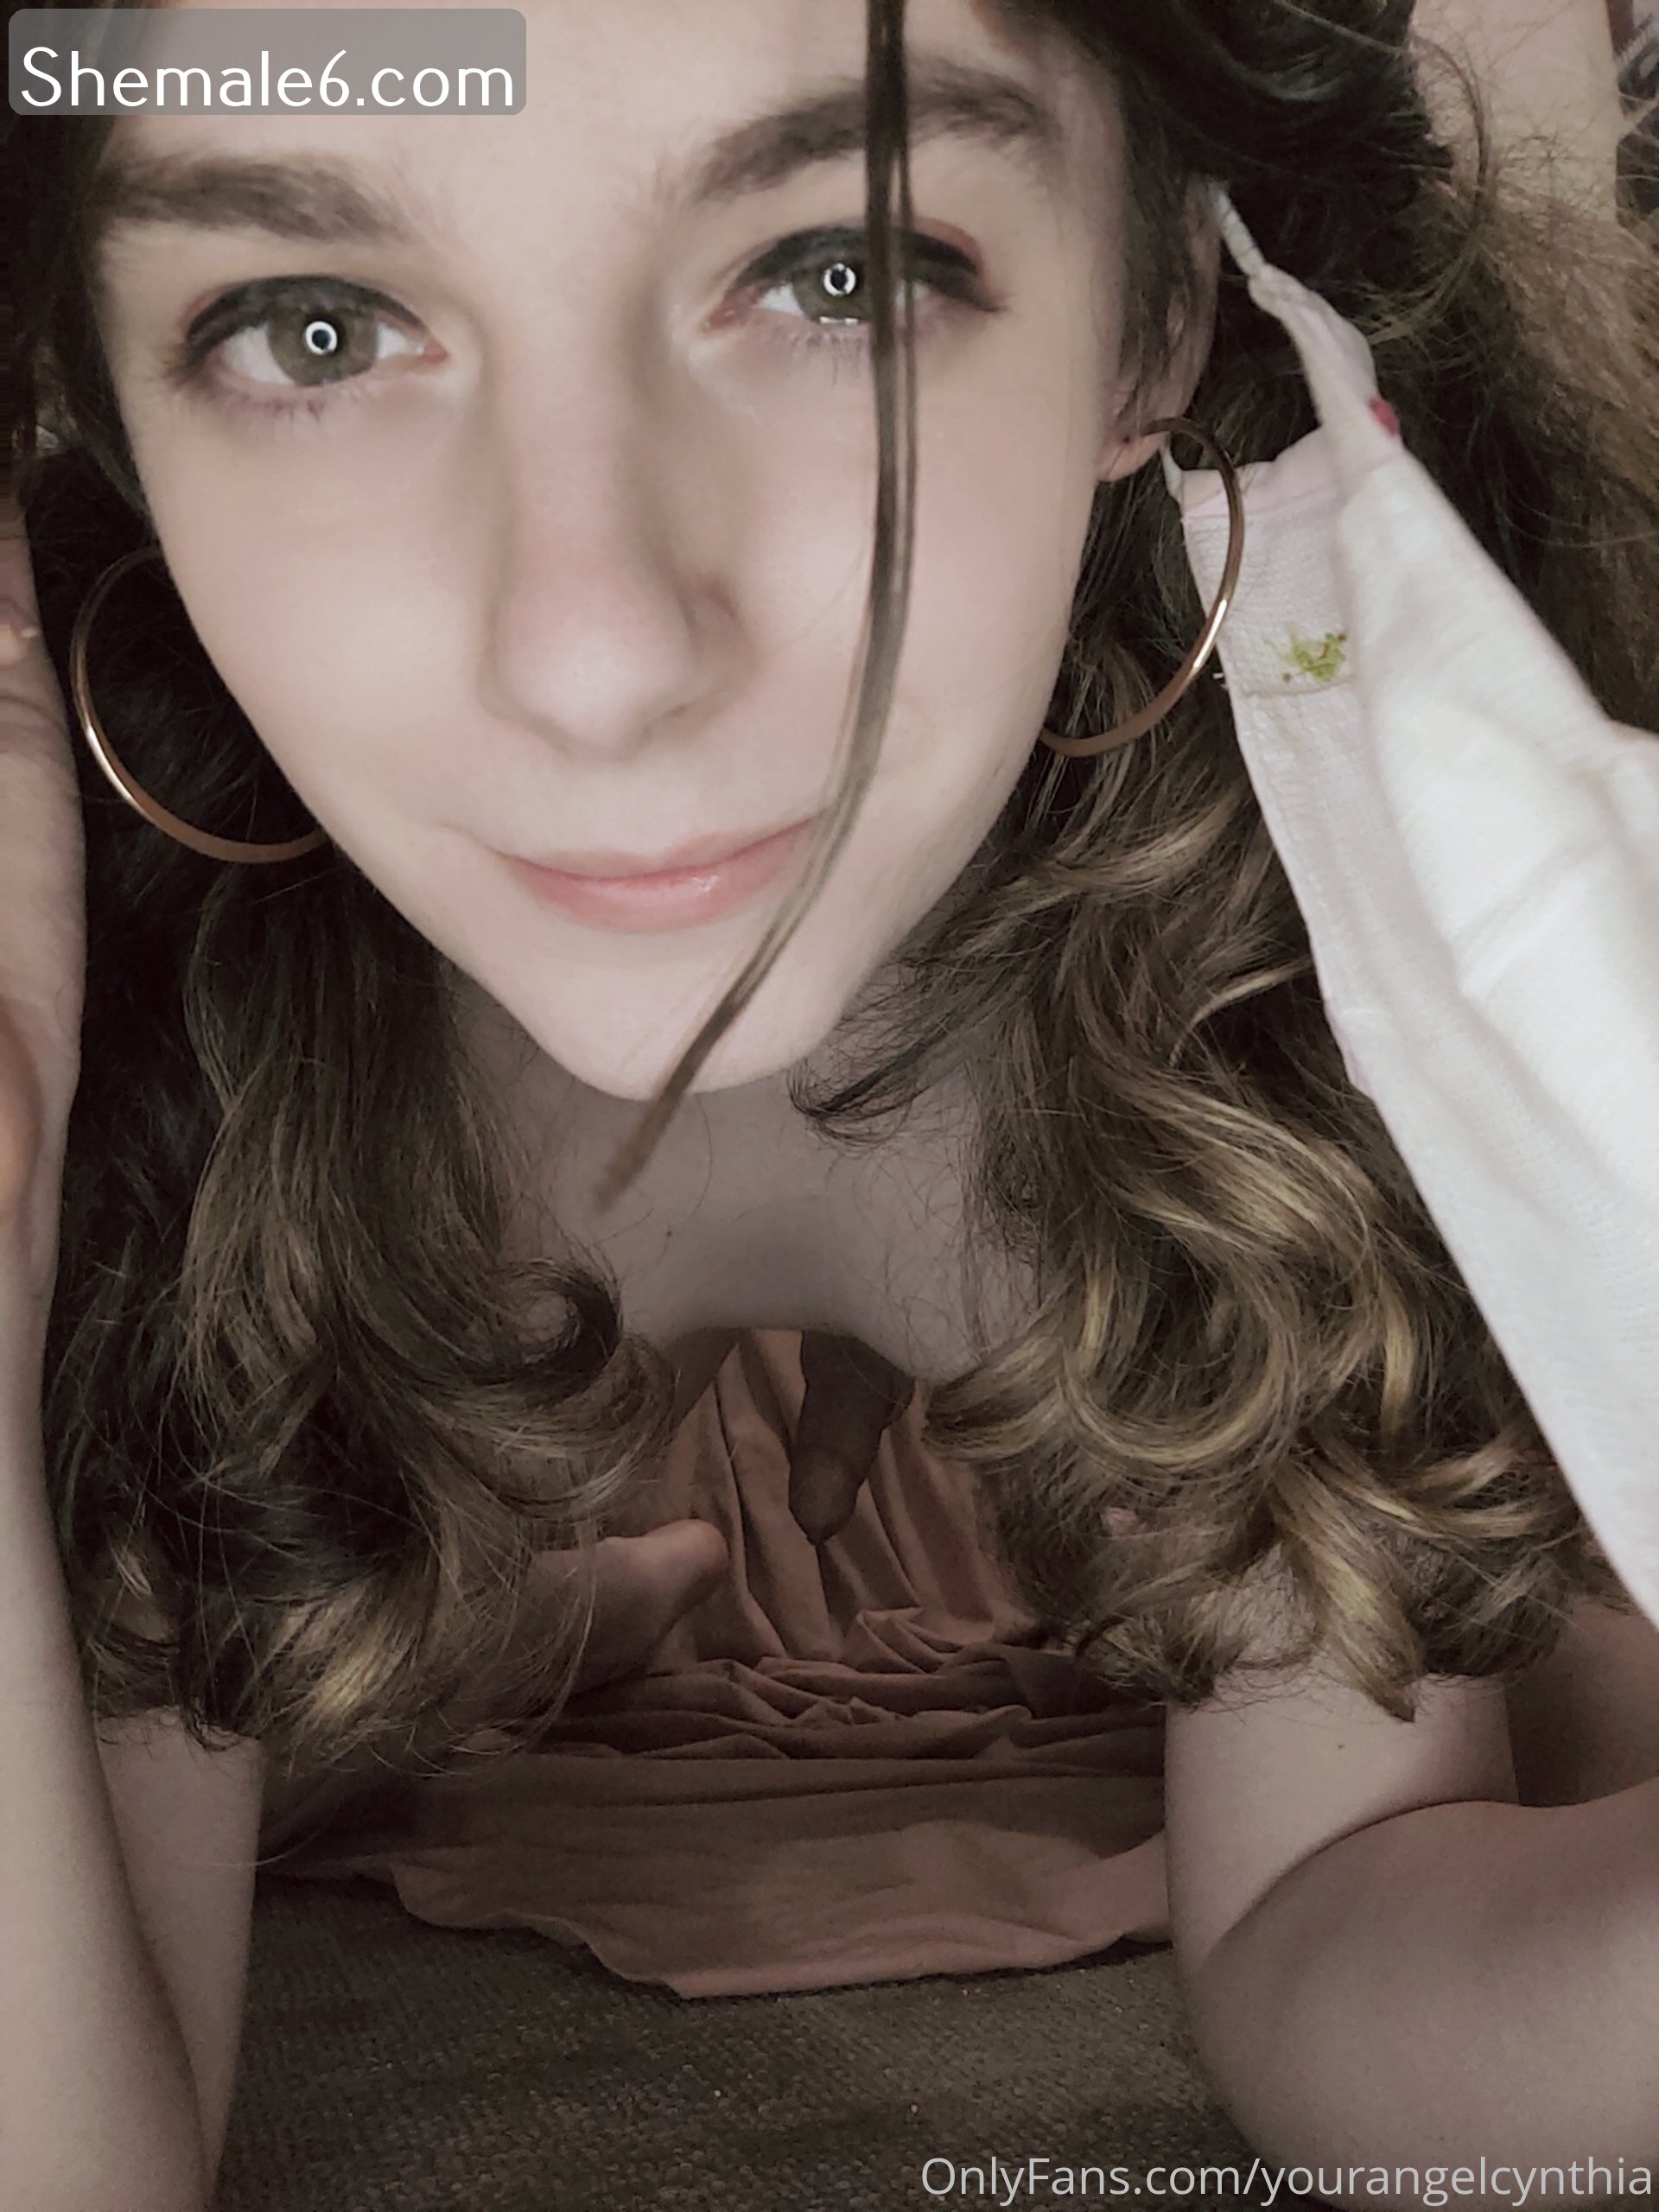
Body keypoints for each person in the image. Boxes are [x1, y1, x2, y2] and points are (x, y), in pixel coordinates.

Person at [6, 3, 1659, 2208]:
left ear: (1158, 312)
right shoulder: (158, 1050)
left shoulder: (1295, 949)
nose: (598, 654)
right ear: (104, 413)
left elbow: (1330, 1929)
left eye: (839, 274)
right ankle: (604, 1601)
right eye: (315, 326)